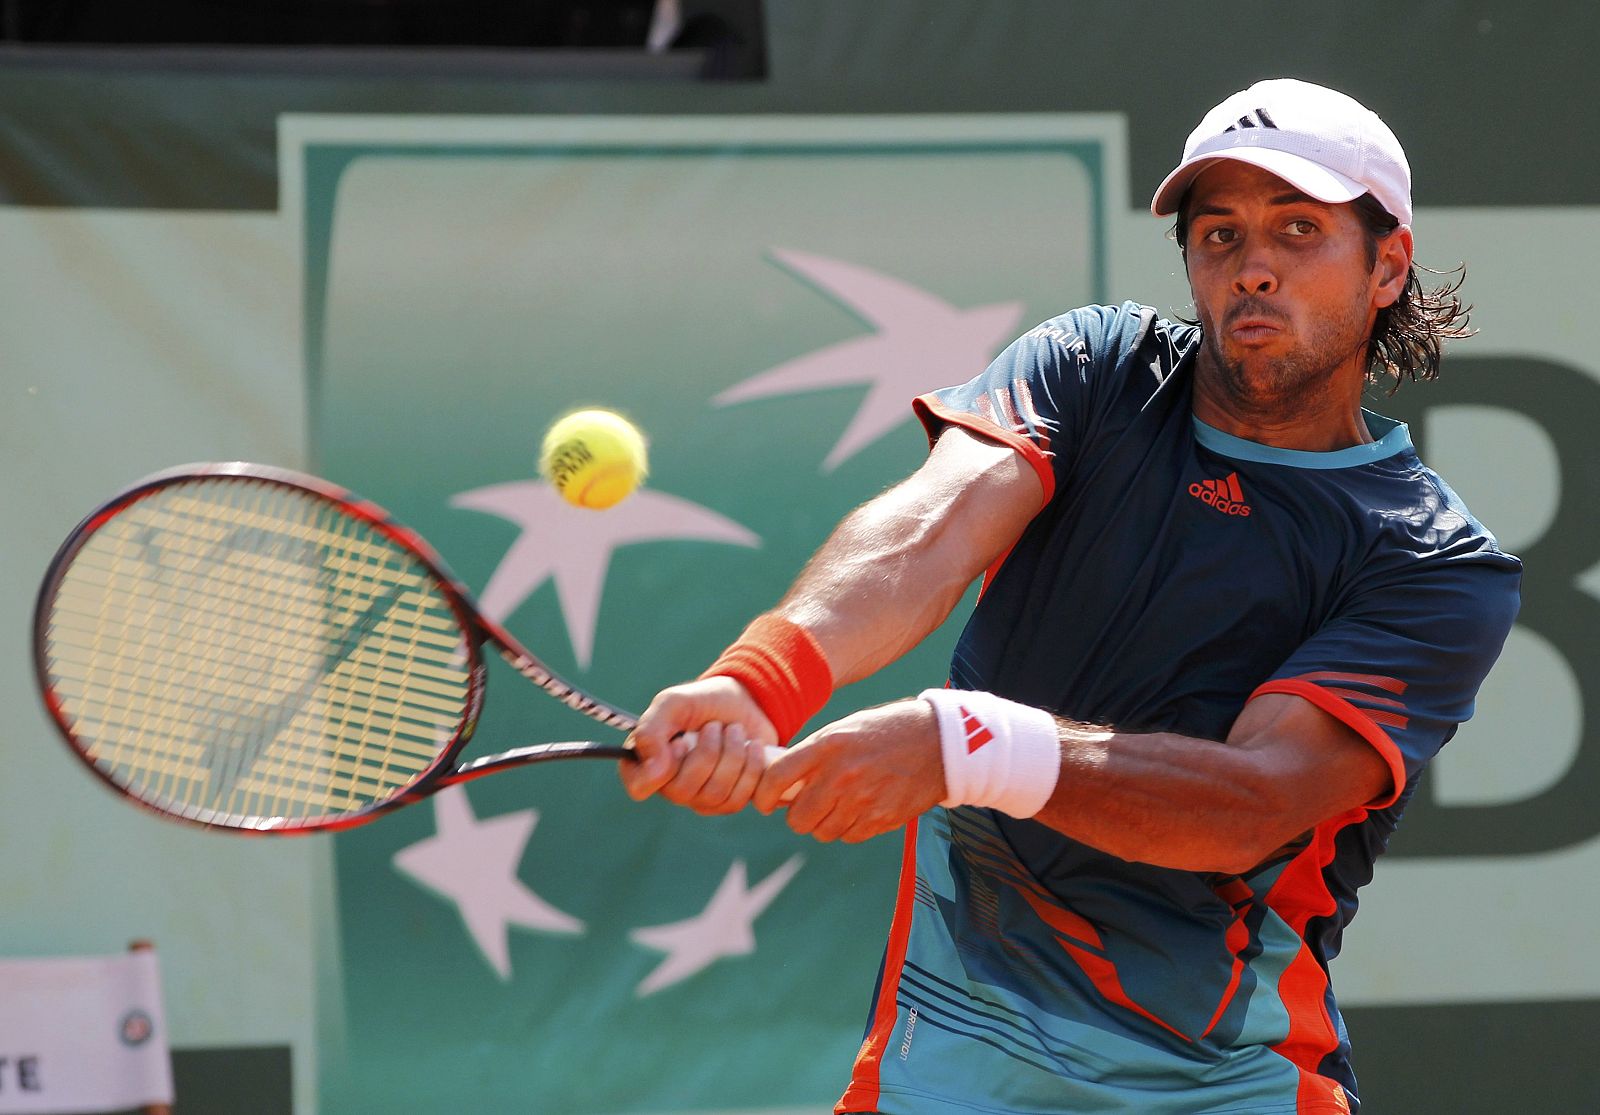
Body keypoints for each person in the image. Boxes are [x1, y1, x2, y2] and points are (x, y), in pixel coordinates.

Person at [621, 78, 1521, 1114]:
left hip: (1228, 1086)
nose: (1252, 266)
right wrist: (762, 680)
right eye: (1218, 234)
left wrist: (965, 746)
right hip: (946, 1072)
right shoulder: (1098, 369)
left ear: (1388, 264)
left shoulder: (1433, 563)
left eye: (1298, 229)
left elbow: (1253, 802)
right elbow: (930, 528)